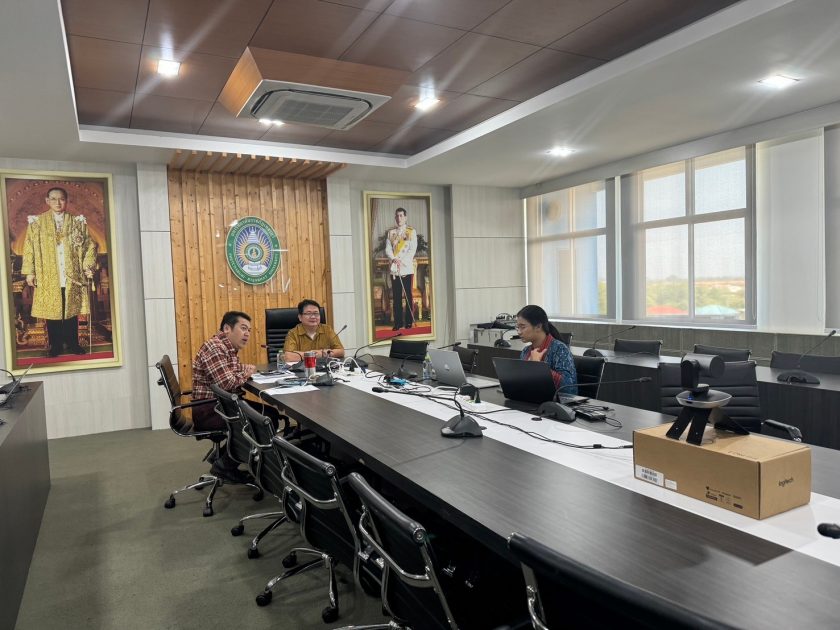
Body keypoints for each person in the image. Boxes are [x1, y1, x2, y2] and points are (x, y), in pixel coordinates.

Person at [21, 187, 97, 357]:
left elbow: (89, 246)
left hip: (72, 275)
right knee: (52, 311)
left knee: (71, 311)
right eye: (53, 199)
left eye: (61, 199)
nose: (57, 202)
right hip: (48, 274)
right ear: (47, 201)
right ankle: (55, 345)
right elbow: (29, 248)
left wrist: (88, 266)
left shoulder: (77, 222)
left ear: (66, 201)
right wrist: (30, 272)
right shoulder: (37, 223)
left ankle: (73, 343)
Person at [191, 311, 258, 483]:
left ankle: (222, 456)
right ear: (227, 328)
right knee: (261, 422)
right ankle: (224, 466)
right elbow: (228, 383)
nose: (247, 334)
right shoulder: (216, 348)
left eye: (249, 330)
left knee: (268, 414)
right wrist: (247, 373)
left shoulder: (226, 347)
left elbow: (234, 371)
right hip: (209, 410)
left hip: (220, 405)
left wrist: (245, 370)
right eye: (243, 328)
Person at [516, 305, 577, 392]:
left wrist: (539, 366)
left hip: (555, 400)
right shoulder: (526, 351)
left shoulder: (560, 349)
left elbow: (568, 388)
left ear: (538, 326)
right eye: (517, 327)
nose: (519, 332)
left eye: (523, 327)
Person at [385, 207, 417, 330]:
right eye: (397, 216)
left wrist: (401, 261)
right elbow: (388, 249)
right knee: (397, 296)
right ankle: (398, 323)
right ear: (395, 218)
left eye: (401, 216)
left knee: (408, 295)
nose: (399, 218)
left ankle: (408, 321)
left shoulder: (411, 232)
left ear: (405, 217)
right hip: (395, 269)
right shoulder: (391, 233)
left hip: (406, 269)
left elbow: (412, 249)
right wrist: (394, 259)